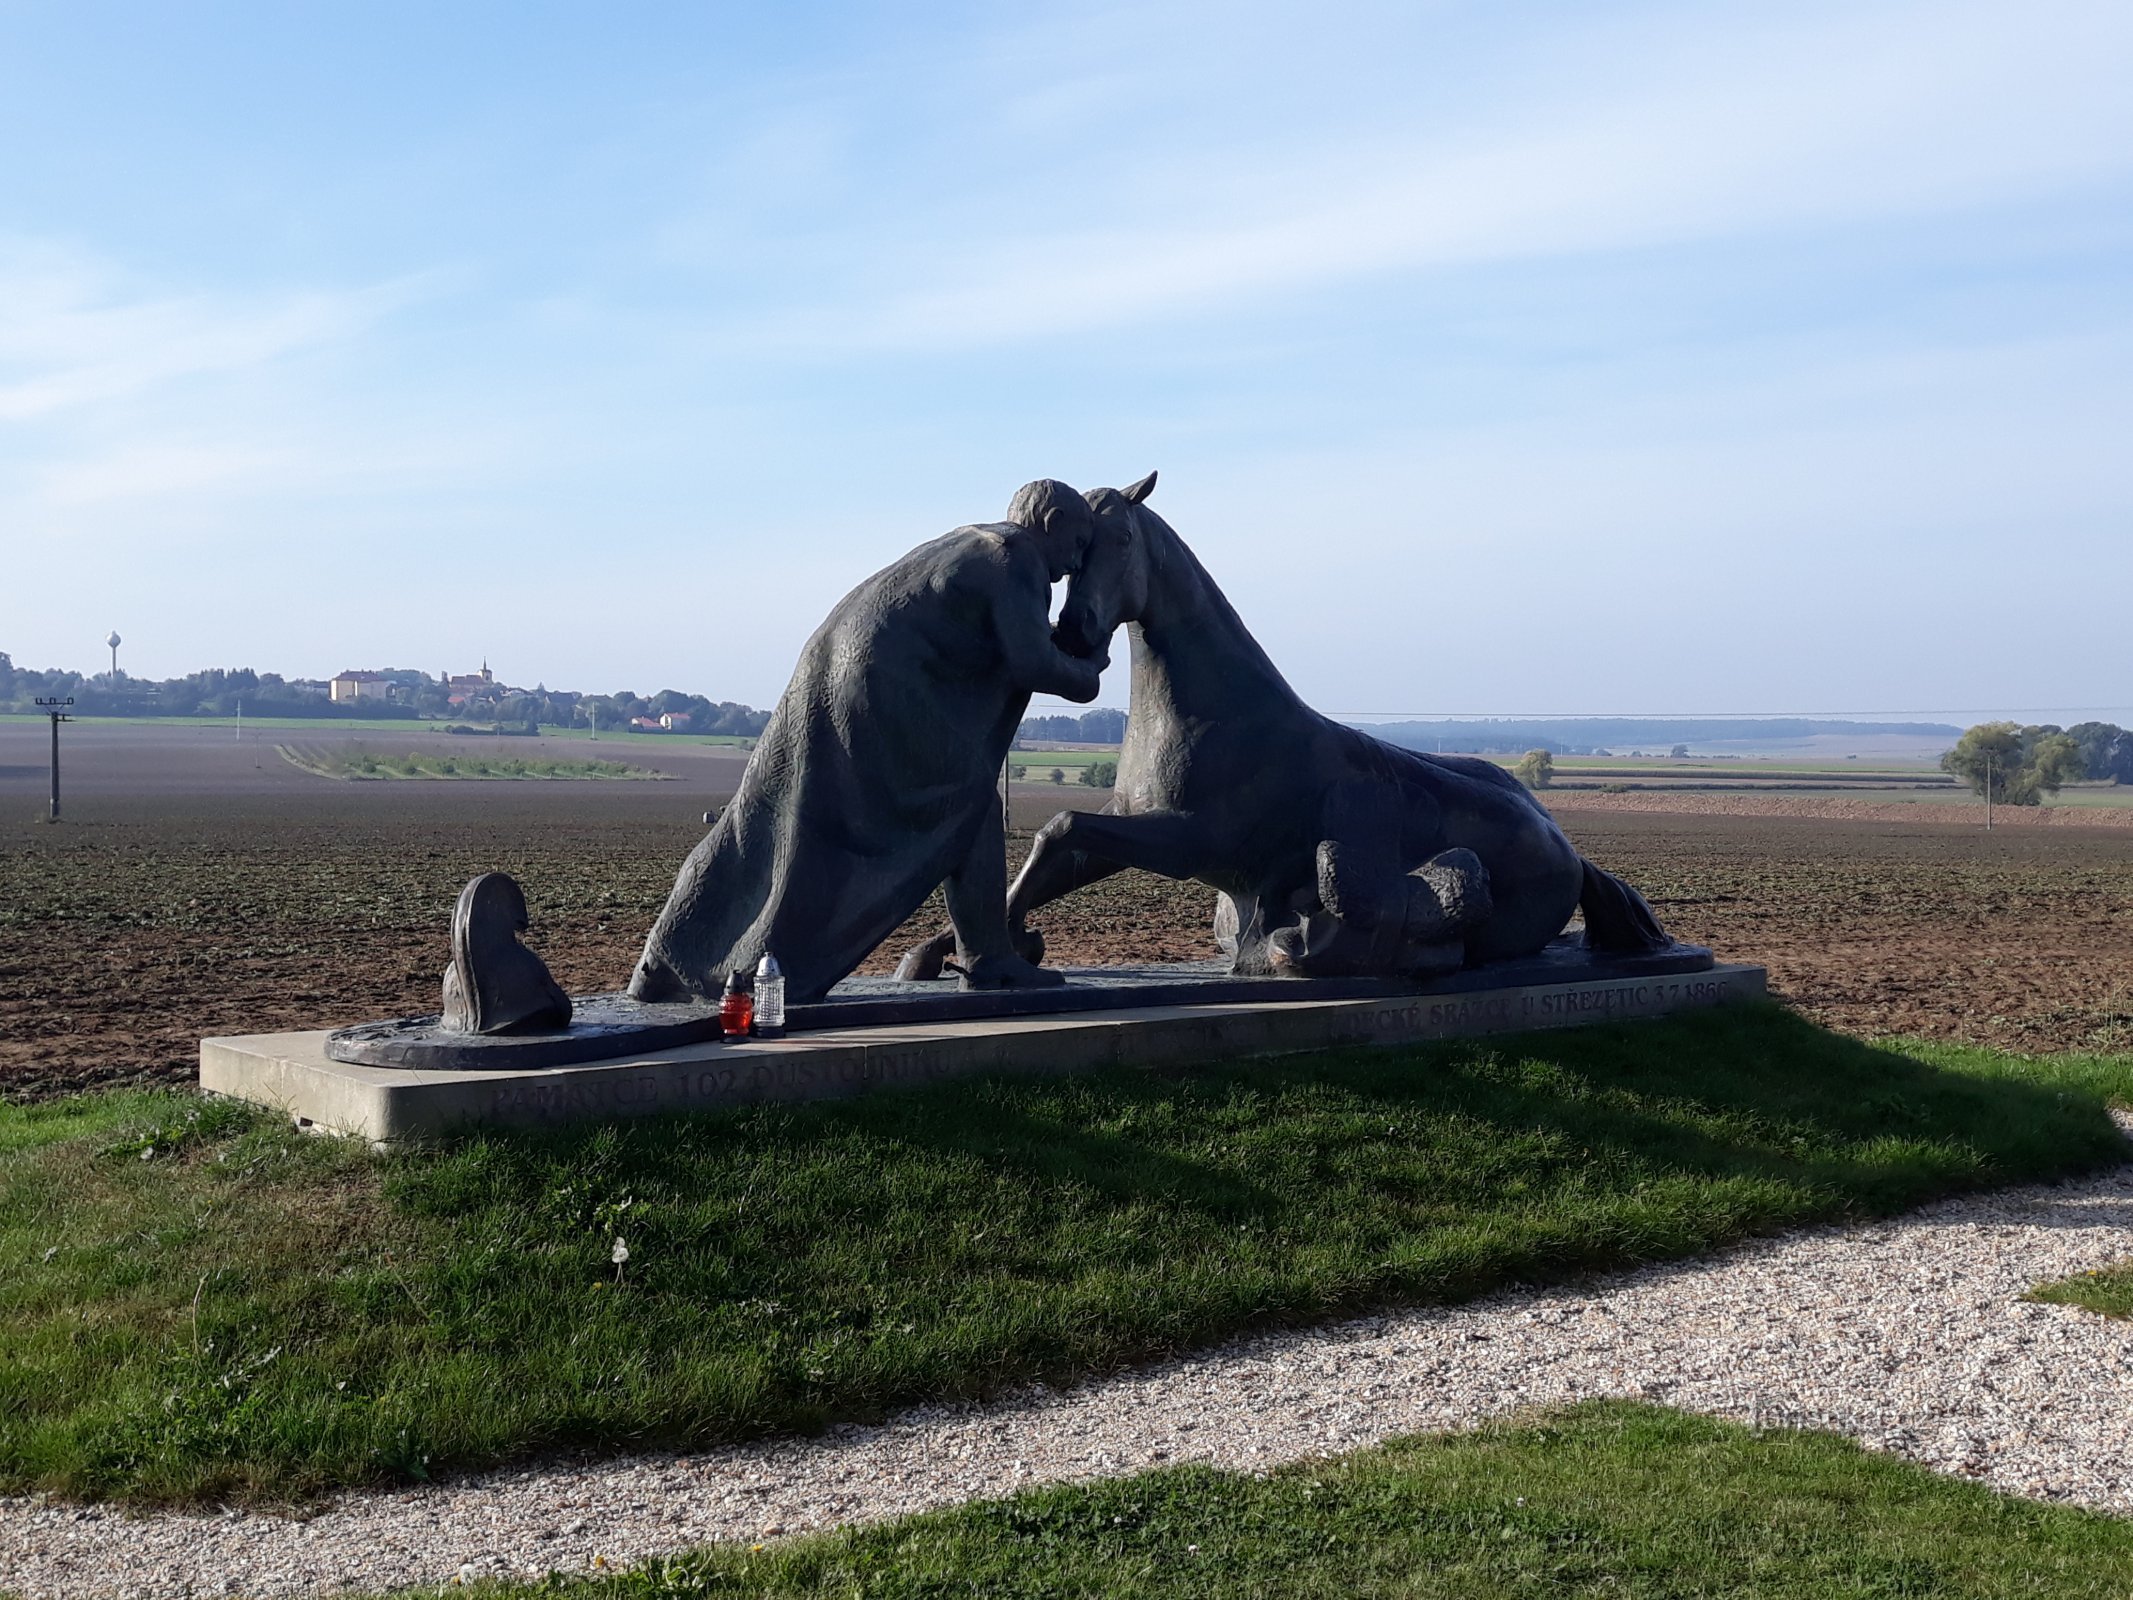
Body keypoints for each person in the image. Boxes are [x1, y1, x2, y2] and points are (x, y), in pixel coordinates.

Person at [629, 480, 1106, 1006]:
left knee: (763, 815)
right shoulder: (1017, 558)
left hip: (826, 674)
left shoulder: (967, 542)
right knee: (968, 806)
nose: (1075, 563)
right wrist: (1087, 672)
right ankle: (988, 958)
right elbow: (1031, 662)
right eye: (1079, 543)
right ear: (1052, 522)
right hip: (881, 688)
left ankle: (663, 959)